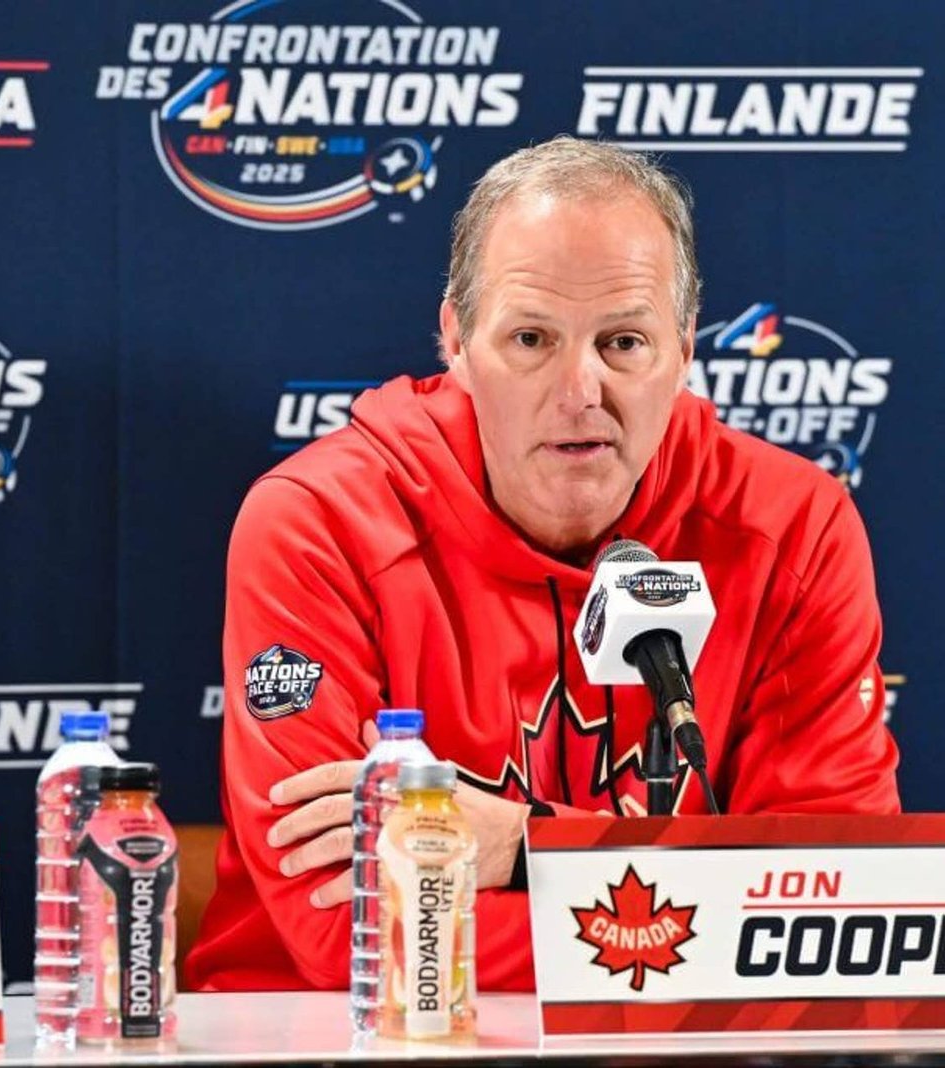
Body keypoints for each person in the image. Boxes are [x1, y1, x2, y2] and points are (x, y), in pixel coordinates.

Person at [183, 136, 900, 993]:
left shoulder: (793, 526)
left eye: (624, 343)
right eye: (530, 338)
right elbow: (354, 928)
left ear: (685, 346)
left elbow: (832, 906)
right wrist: (686, 924)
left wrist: (524, 845)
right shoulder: (321, 524)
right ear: (456, 339)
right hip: (349, 1043)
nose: (579, 392)